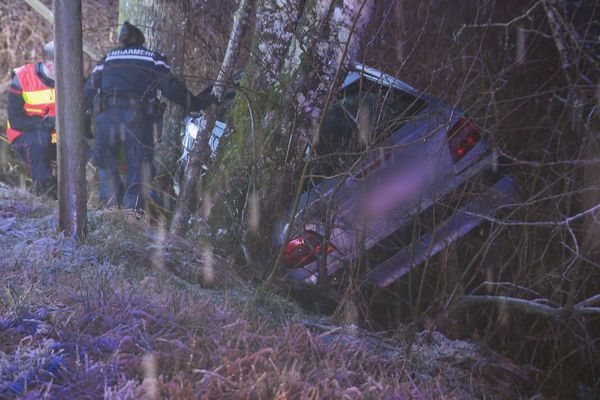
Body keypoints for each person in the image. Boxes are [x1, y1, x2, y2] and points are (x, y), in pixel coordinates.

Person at [85, 21, 216, 210]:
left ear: (122, 41)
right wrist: (195, 103)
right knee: (139, 166)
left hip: (106, 119)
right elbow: (171, 88)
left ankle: (110, 211)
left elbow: (88, 90)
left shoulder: (107, 59)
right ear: (141, 40)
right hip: (136, 120)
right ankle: (133, 212)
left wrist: (83, 123)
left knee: (107, 163)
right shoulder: (152, 58)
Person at [5, 41, 57, 197]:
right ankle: (44, 193)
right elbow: (16, 120)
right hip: (25, 133)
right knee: (39, 140)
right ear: (50, 67)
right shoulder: (22, 78)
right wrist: (45, 123)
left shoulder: (73, 76)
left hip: (57, 135)